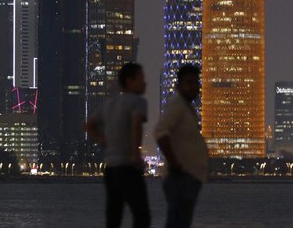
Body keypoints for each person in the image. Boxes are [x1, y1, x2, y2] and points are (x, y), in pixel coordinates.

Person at [86, 62, 150, 228]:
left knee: (114, 216)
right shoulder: (138, 102)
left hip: (110, 168)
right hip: (128, 166)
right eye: (141, 78)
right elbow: (136, 124)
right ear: (129, 80)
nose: (145, 83)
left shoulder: (109, 103)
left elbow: (89, 125)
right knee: (142, 216)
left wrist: (102, 140)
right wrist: (136, 154)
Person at [154, 64, 209, 228]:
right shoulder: (177, 105)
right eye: (189, 82)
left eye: (196, 82)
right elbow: (160, 133)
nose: (194, 87)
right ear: (178, 85)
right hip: (181, 179)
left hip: (187, 178)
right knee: (177, 223)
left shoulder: (185, 107)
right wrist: (175, 165)